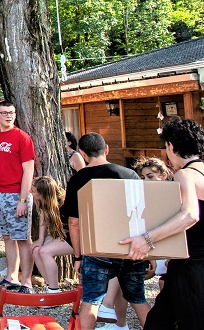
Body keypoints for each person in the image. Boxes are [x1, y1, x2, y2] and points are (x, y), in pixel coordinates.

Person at [120, 117, 204, 330]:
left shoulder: (185, 175)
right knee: (158, 322)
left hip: (191, 268)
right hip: (189, 265)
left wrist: (146, 240)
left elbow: (190, 215)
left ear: (171, 146)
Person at [64, 132, 150, 330]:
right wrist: (149, 249)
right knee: (138, 298)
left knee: (91, 300)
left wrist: (78, 256)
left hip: (97, 247)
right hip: (131, 245)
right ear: (107, 149)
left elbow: (74, 223)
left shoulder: (78, 179)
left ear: (83, 154)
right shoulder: (129, 174)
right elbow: (142, 214)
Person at [99, 156, 172, 328]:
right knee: (122, 272)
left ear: (163, 176)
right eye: (143, 177)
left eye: (150, 176)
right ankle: (119, 321)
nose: (146, 180)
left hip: (163, 251)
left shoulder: (170, 195)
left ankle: (108, 306)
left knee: (137, 291)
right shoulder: (143, 197)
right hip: (148, 249)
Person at [0, 100, 36, 293]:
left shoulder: (22, 138)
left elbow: (28, 169)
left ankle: (27, 281)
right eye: (4, 112)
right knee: (7, 237)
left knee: (23, 237)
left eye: (11, 112)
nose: (8, 115)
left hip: (16, 194)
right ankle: (11, 277)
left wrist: (23, 199)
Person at [29, 176, 73, 292]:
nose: (30, 192)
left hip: (72, 238)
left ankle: (54, 290)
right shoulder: (44, 203)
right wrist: (40, 239)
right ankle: (49, 285)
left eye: (33, 191)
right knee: (36, 249)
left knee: (44, 251)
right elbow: (43, 222)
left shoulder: (65, 203)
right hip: (61, 236)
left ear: (43, 193)